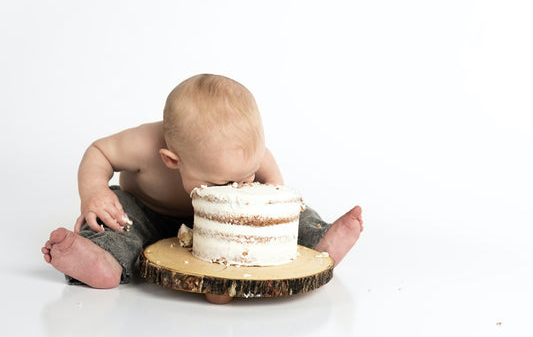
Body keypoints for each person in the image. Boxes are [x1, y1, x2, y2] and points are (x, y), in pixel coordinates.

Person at [42, 74, 363, 291]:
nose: (232, 189)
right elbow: (99, 152)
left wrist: (272, 195)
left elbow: (266, 165)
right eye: (220, 183)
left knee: (294, 210)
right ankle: (101, 259)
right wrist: (93, 192)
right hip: (147, 212)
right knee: (117, 218)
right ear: (171, 159)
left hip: (226, 226)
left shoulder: (241, 153)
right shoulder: (143, 145)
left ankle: (319, 239)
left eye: (245, 176)